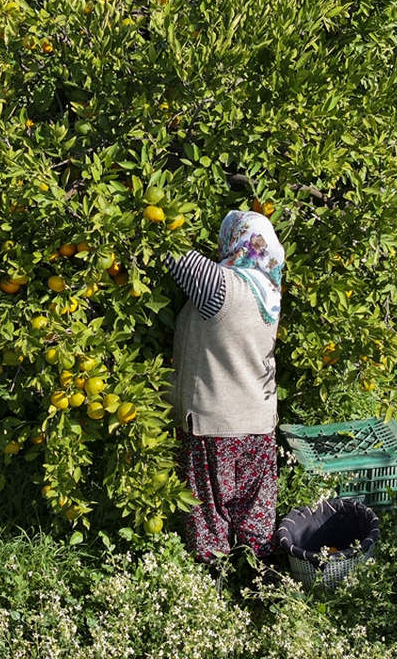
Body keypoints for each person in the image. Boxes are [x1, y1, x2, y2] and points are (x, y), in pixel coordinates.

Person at [166, 209, 285, 566]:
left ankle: (213, 581)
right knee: (254, 507)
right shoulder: (270, 289)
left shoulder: (221, 287)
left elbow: (166, 246)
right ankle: (261, 578)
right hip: (260, 423)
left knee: (207, 512)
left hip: (213, 425)